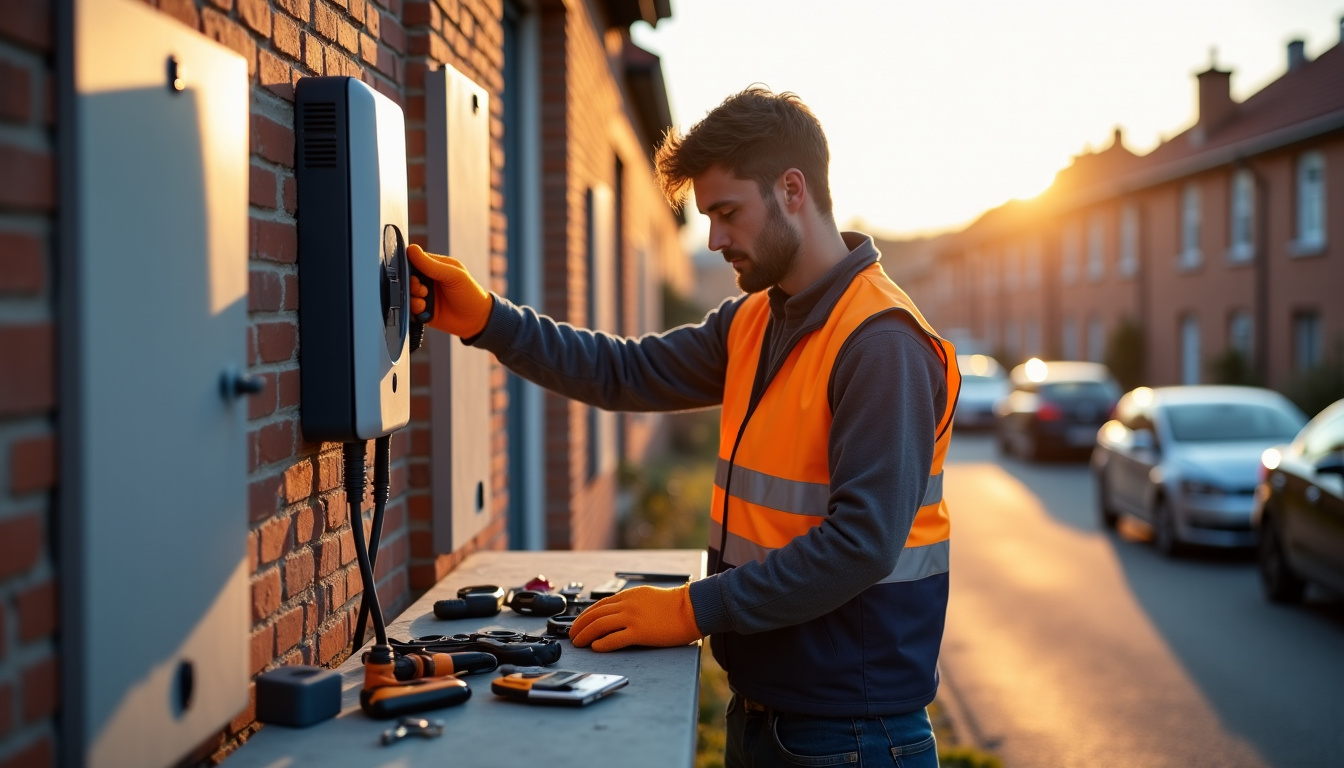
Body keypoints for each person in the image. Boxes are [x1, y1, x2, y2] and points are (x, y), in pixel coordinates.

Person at [408, 86, 960, 768]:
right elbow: (624, 372)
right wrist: (488, 320)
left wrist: (689, 610)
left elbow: (862, 544)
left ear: (793, 189)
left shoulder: (880, 343)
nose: (714, 239)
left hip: (854, 735)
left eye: (727, 213)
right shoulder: (757, 319)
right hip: (767, 711)